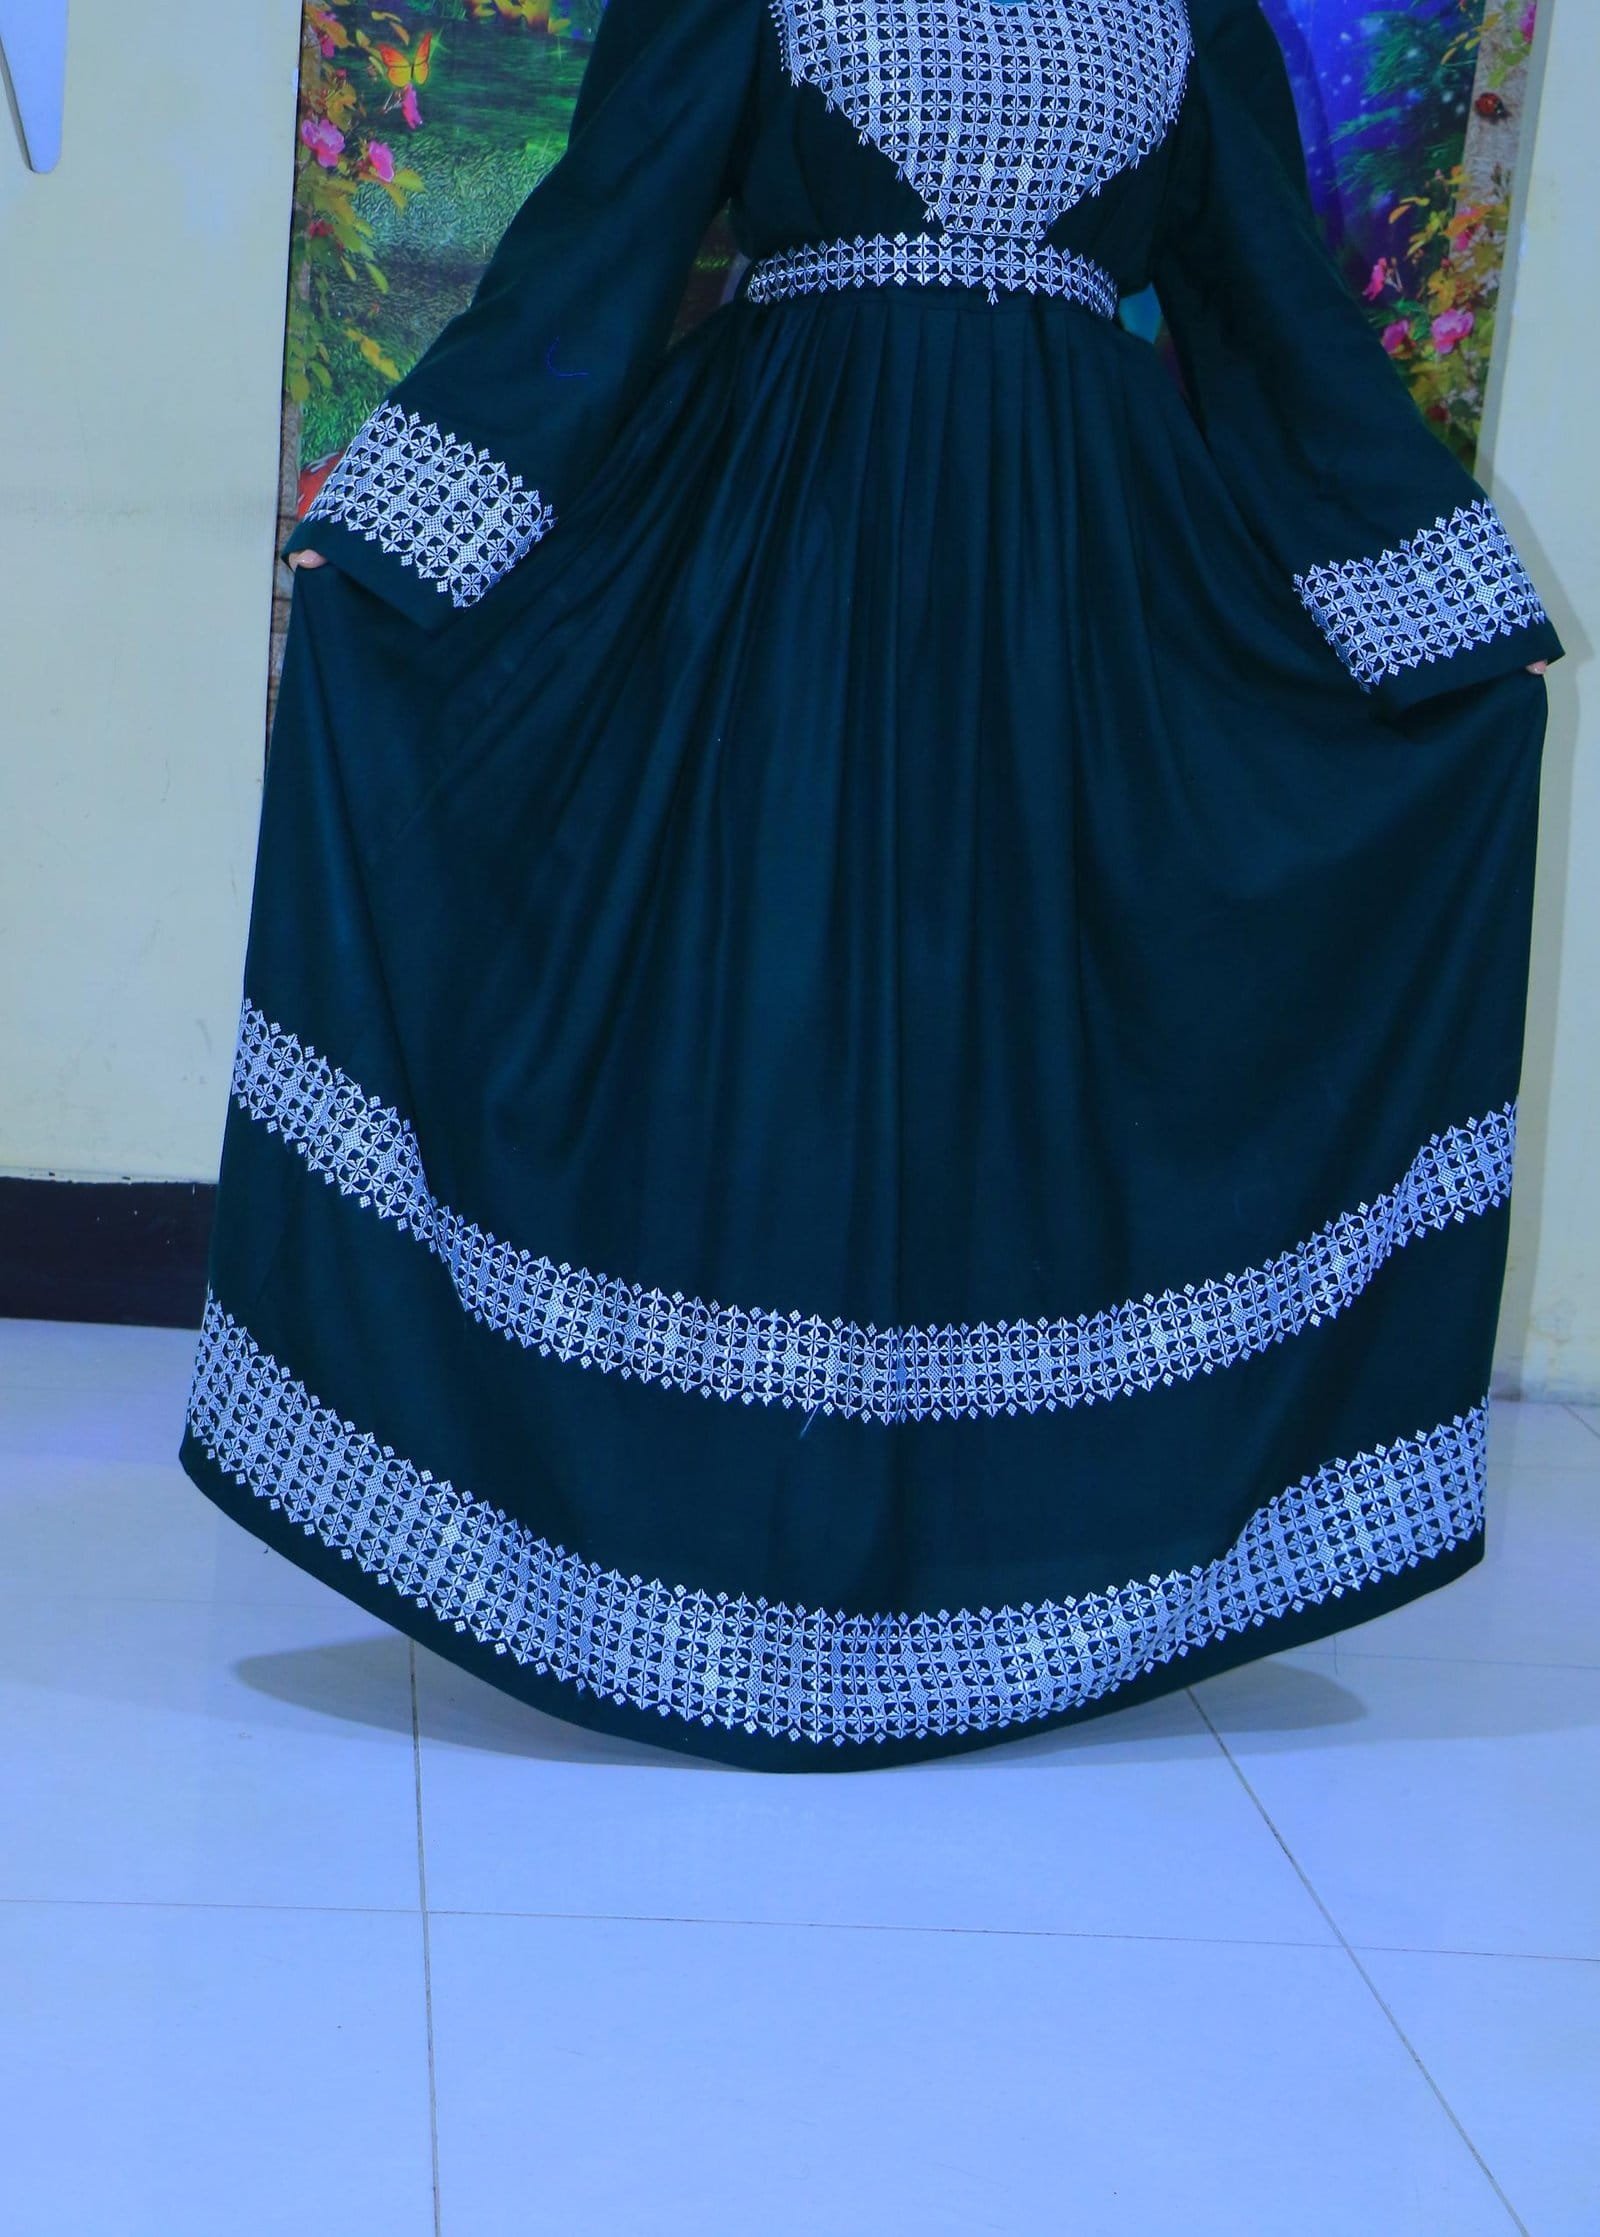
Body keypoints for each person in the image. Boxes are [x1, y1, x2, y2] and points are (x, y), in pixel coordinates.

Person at [180, 0, 1563, 1769]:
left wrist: (1452, 627)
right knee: (785, 1044)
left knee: (1022, 1066)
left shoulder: (1181, 12)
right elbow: (598, 253)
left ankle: (1018, 1563)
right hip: (785, 578)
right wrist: (394, 542)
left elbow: (1274, 326)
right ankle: (712, 1552)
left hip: (1087, 619)